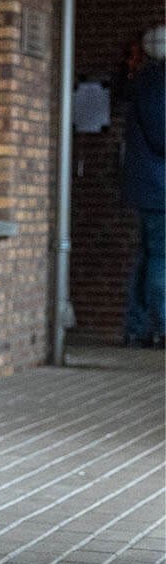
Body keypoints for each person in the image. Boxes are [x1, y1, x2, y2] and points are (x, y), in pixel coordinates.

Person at [121, 25, 165, 348]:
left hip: (150, 186)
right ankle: (162, 325)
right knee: (160, 258)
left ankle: (137, 325)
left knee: (149, 257)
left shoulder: (147, 81)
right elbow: (162, 135)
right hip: (158, 188)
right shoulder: (157, 83)